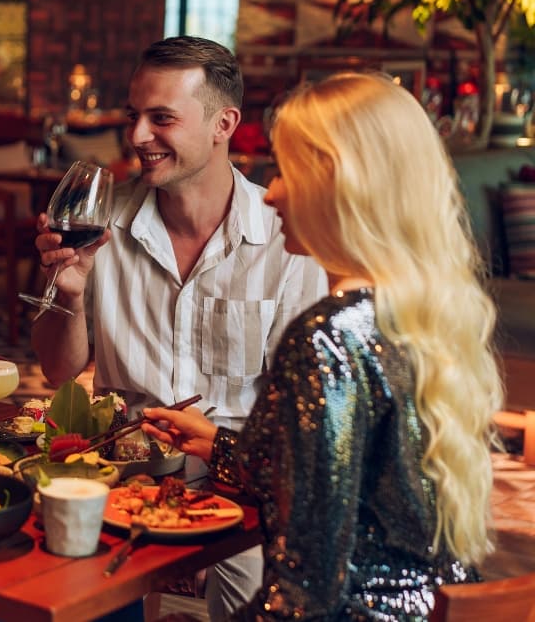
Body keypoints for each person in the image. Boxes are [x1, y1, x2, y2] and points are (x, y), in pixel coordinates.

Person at [141, 72, 502, 619]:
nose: (274, 192)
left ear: (336, 182)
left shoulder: (329, 338)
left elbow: (306, 592)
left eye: (286, 171)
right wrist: (220, 446)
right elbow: (345, 487)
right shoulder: (417, 312)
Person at [30, 36, 327, 617]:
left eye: (161, 118)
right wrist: (69, 292)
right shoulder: (97, 220)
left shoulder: (288, 239)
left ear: (224, 123)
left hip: (238, 501)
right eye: (134, 116)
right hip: (121, 483)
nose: (138, 136)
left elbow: (301, 421)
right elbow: (59, 369)